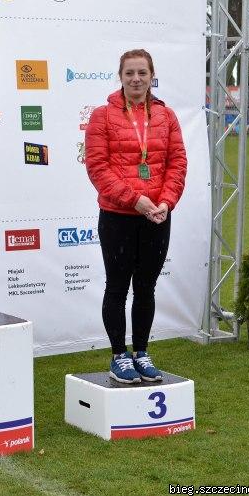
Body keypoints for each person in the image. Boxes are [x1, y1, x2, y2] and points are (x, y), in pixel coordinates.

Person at [85, 49, 187, 384]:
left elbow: (177, 163)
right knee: (117, 287)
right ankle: (119, 355)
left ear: (151, 76)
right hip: (118, 216)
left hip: (156, 216)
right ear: (121, 76)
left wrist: (166, 202)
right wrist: (135, 200)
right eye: (129, 73)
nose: (136, 79)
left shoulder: (167, 116)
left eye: (142, 73)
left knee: (146, 288)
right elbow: (98, 168)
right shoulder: (102, 116)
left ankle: (141, 352)